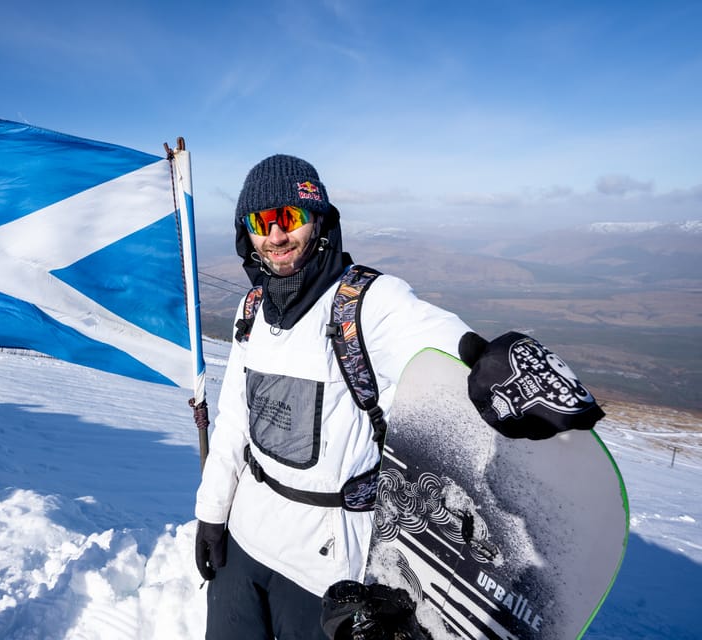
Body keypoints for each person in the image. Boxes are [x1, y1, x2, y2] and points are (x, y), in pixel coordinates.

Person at [193, 154, 604, 640]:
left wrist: (482, 358)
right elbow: (235, 420)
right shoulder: (252, 308)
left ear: (318, 220)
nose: (277, 236)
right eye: (263, 222)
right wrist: (211, 514)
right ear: (248, 232)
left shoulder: (364, 302)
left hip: (322, 565)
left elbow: (429, 333)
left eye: (291, 218)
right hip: (244, 539)